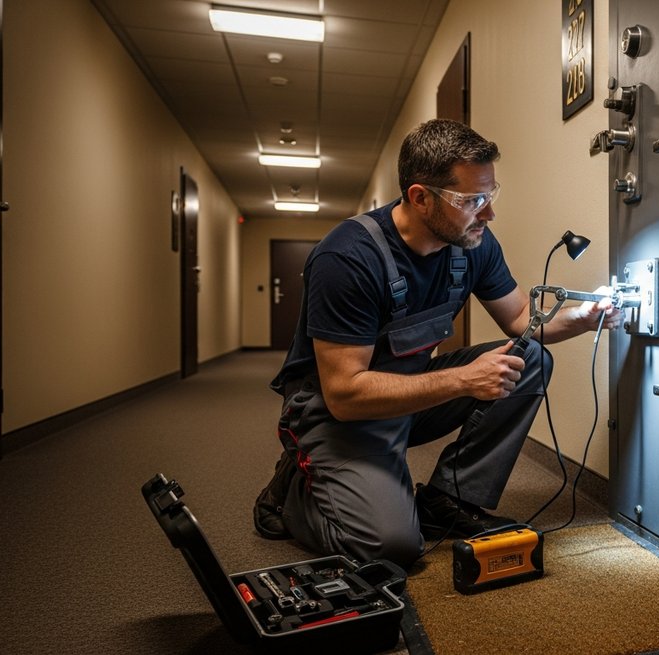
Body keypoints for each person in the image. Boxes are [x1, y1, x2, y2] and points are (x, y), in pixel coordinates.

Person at [253, 118, 621, 567]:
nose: (488, 213)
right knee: (391, 549)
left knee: (528, 359)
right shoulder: (347, 257)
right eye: (471, 201)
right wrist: (463, 380)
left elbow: (523, 319)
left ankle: (450, 498)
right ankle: (291, 488)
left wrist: (584, 319)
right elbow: (345, 394)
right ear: (419, 197)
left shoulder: (474, 244)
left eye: (490, 195)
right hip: (335, 413)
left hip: (406, 395)